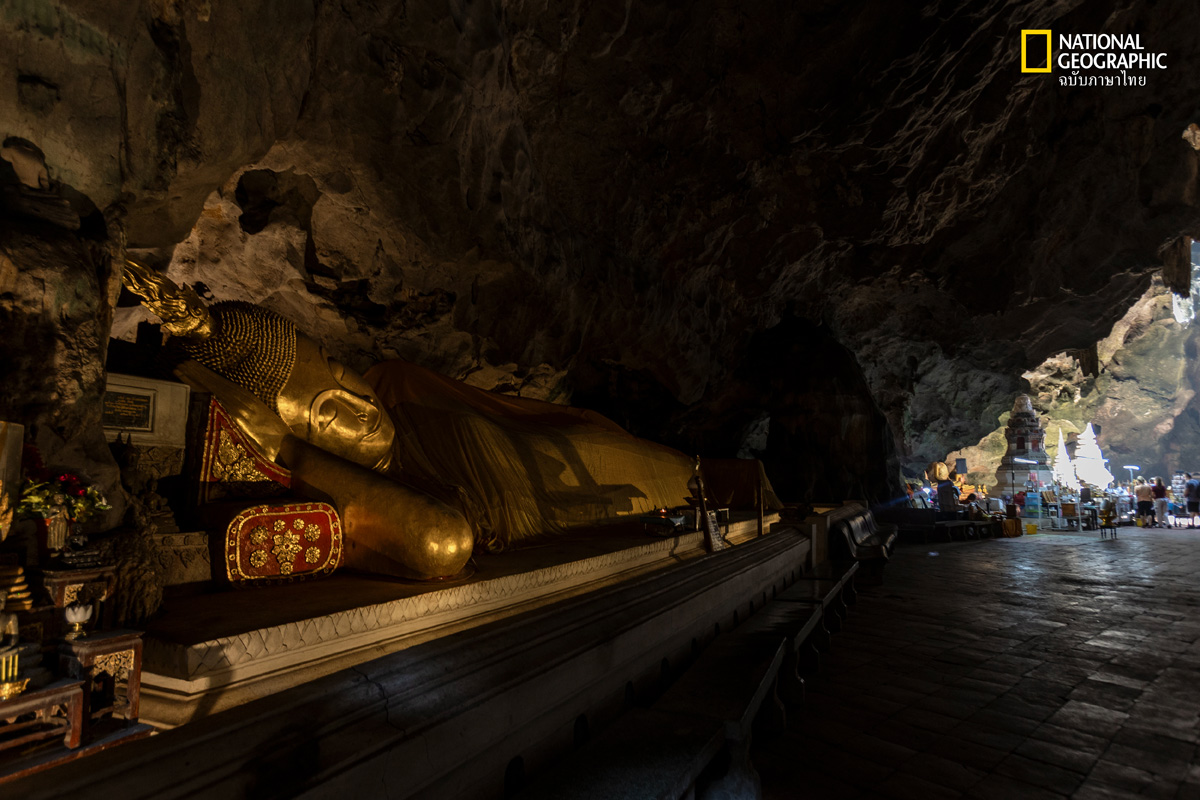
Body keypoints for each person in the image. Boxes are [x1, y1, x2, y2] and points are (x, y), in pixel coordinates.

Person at [123, 262, 777, 579]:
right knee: (652, 481)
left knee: (636, 455)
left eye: (341, 375)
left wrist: (211, 327)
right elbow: (440, 543)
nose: (357, 403)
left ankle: (725, 478)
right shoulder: (384, 489)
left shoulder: (395, 394)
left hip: (552, 446)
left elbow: (349, 392)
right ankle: (723, 480)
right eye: (328, 417)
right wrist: (292, 454)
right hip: (552, 498)